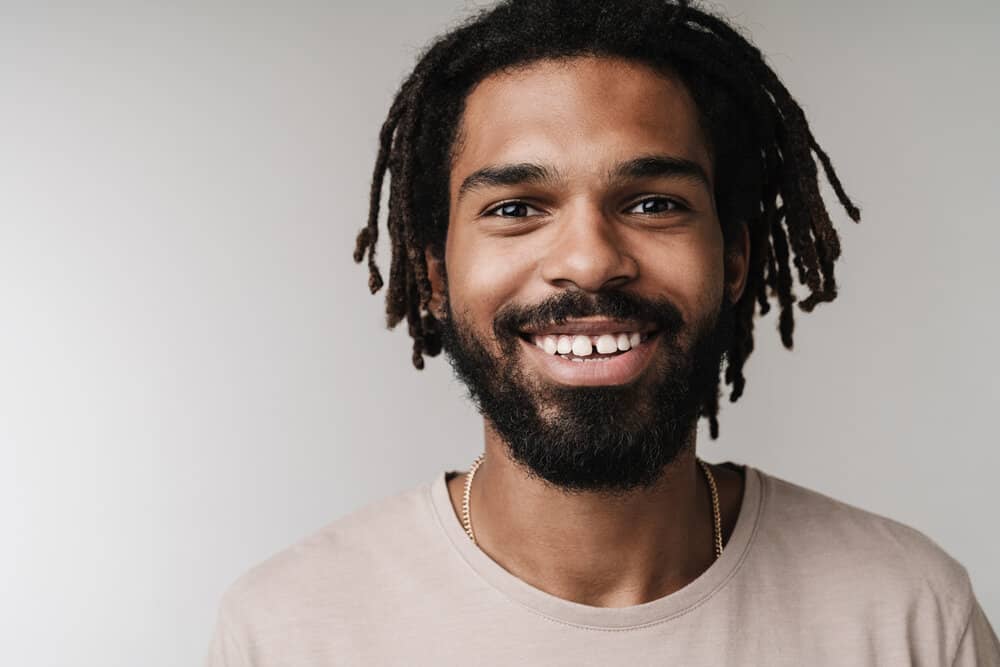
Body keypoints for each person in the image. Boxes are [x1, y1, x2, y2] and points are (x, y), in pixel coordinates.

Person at [206, 0, 1000, 664]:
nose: (589, 261)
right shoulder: (287, 632)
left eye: (654, 202)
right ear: (438, 277)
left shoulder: (909, 616)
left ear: (733, 261)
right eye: (515, 208)